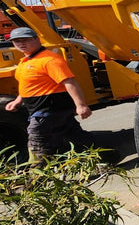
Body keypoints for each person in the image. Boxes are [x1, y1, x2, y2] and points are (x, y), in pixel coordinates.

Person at [4, 27, 92, 159]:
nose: (21, 44)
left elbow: (69, 82)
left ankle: (38, 176)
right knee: (74, 136)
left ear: (36, 39)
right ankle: (107, 156)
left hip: (49, 110)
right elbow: (29, 85)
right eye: (17, 41)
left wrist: (81, 105)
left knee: (37, 143)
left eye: (26, 40)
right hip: (42, 109)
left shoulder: (49, 60)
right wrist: (17, 101)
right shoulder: (26, 61)